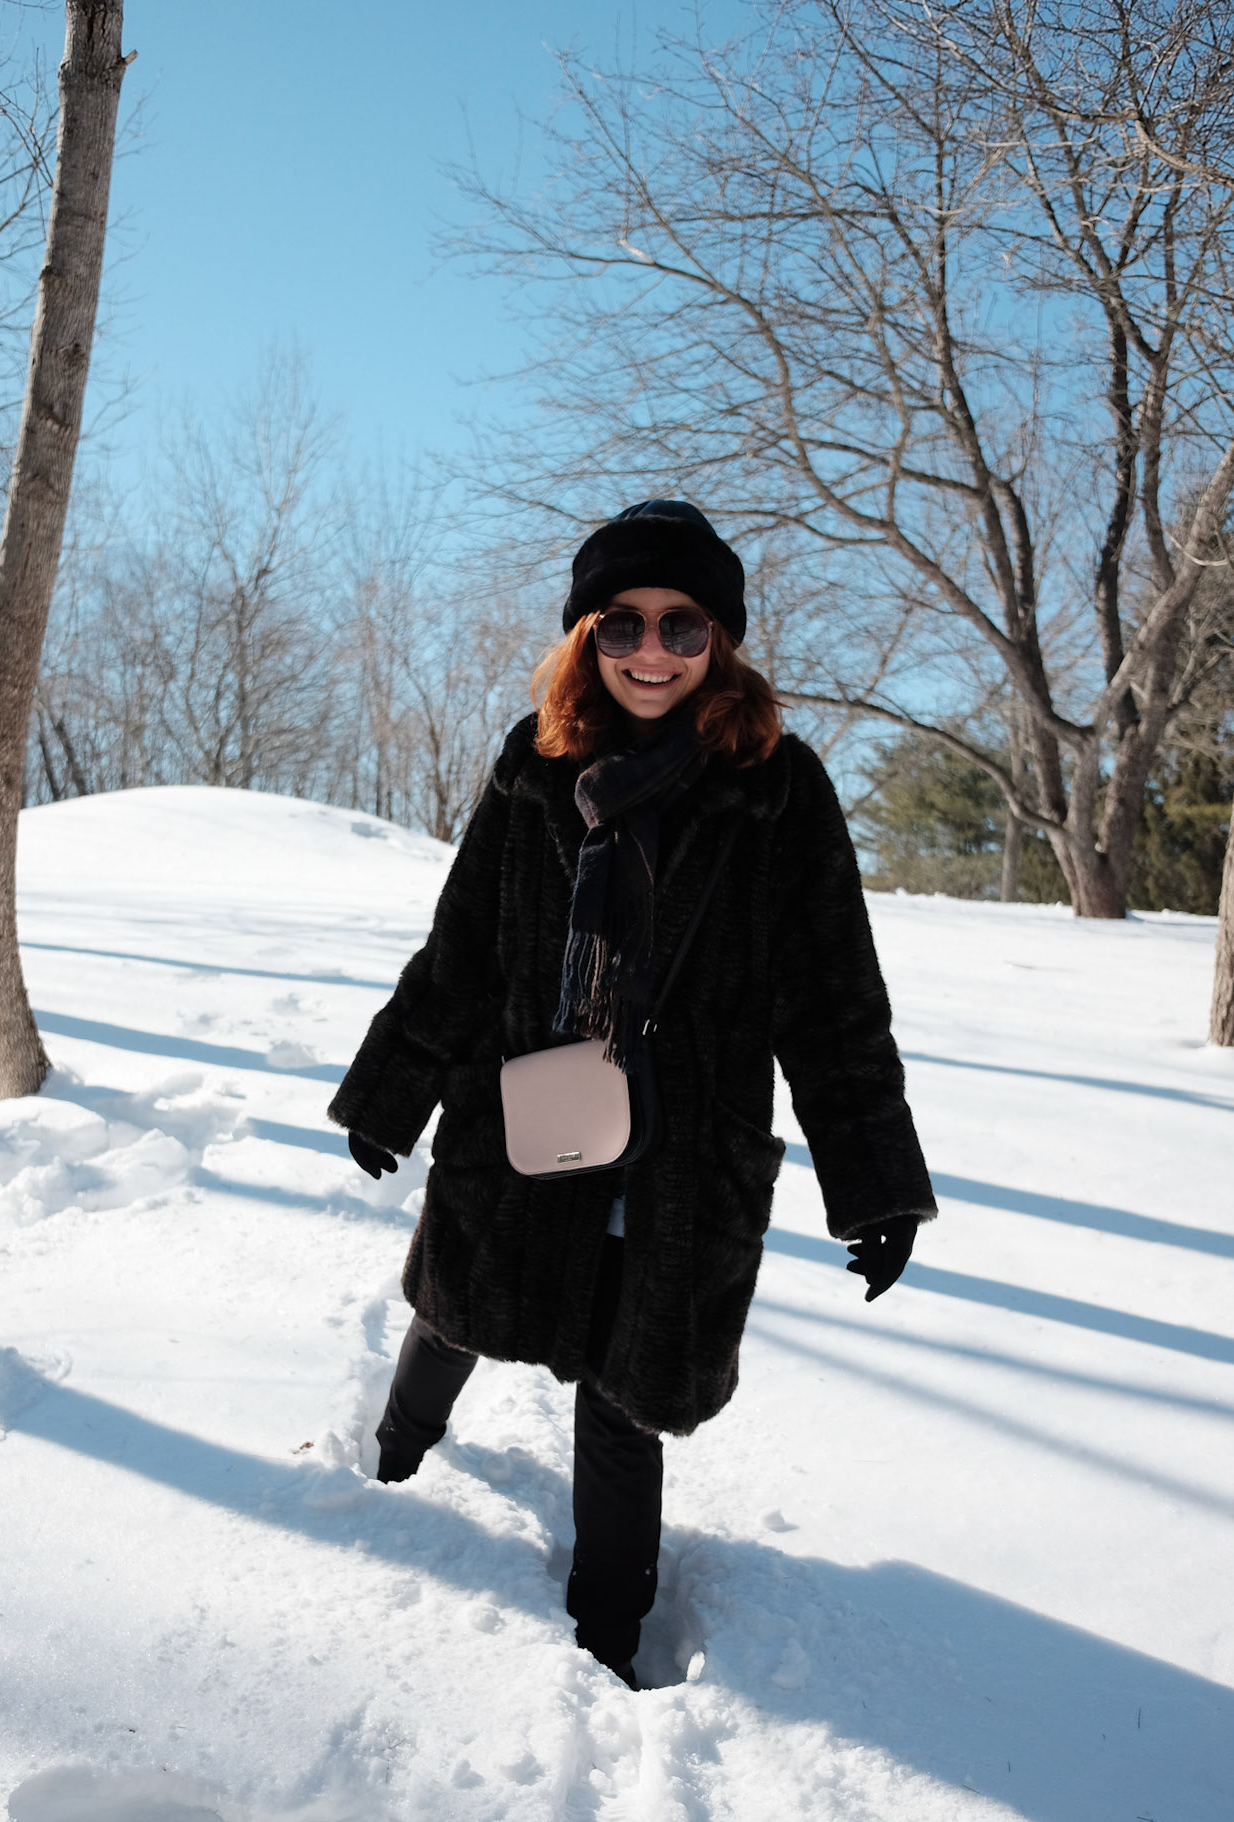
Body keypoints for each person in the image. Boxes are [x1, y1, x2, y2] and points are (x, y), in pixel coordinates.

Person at [329, 500, 936, 1687]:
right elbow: (463, 948)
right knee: (458, 1307)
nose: (652, 650)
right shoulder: (536, 762)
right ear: (586, 635)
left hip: (682, 1149)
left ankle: (606, 1639)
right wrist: (391, 1091)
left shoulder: (779, 788)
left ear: (723, 638)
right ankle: (390, 1466)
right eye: (623, 623)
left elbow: (833, 1001)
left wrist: (874, 1180)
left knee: (625, 1389)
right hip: (527, 1109)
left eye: (682, 624)